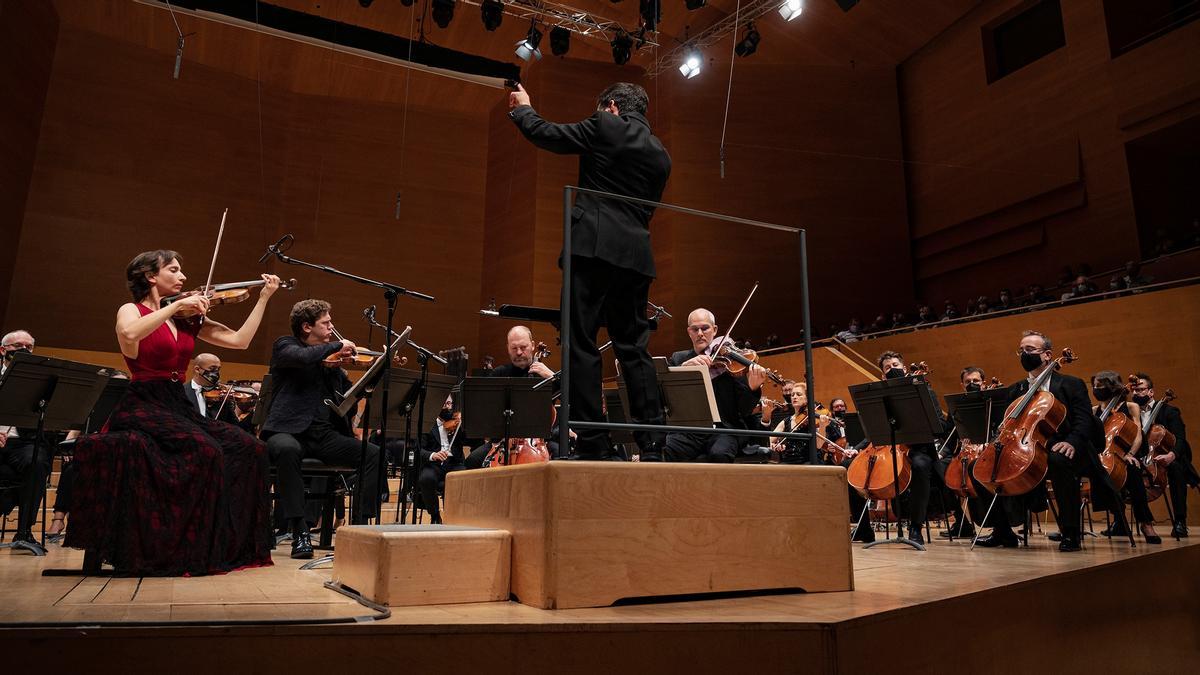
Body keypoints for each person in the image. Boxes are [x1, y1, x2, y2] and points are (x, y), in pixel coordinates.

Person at [64, 250, 279, 575]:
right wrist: (177, 305)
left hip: (175, 403)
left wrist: (263, 298)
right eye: (174, 270)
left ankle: (225, 545)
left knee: (250, 447)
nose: (183, 278)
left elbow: (240, 341)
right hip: (142, 403)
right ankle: (180, 548)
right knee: (205, 450)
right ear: (151, 276)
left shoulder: (187, 320)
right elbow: (130, 334)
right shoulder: (131, 310)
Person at [508, 81, 670, 460]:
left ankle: (594, 441)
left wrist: (523, 109)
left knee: (581, 341)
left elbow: (549, 134)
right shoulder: (662, 154)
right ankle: (654, 440)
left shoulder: (604, 124)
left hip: (593, 248)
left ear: (611, 106)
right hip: (636, 257)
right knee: (633, 348)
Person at [262, 299, 381, 559]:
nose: (331, 327)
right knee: (287, 450)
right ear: (306, 327)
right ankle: (299, 530)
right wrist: (337, 345)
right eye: (326, 323)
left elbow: (350, 397)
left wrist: (376, 371)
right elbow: (303, 357)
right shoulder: (286, 346)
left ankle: (360, 528)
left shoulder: (332, 365)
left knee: (372, 453)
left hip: (322, 436)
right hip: (287, 431)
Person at [976, 331, 1095, 552]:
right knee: (982, 465)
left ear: (1048, 355)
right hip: (1026, 447)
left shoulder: (1071, 384)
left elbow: (1084, 420)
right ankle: (1003, 532)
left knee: (1059, 461)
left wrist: (1071, 442)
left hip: (1065, 448)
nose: (1024, 354)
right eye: (1021, 350)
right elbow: (1007, 425)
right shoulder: (1016, 389)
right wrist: (992, 443)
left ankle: (1070, 533)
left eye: (1029, 350)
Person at [662, 309, 769, 463]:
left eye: (705, 328)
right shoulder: (679, 359)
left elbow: (744, 411)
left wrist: (752, 389)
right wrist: (683, 369)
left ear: (715, 330)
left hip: (724, 429)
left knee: (719, 453)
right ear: (689, 332)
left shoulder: (732, 361)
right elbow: (667, 396)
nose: (700, 333)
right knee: (665, 450)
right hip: (691, 431)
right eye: (695, 329)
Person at [1089, 371, 1160, 543]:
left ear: (1112, 387)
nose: (1096, 389)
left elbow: (1137, 434)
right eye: (1095, 386)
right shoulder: (1094, 410)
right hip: (1103, 455)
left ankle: (1145, 523)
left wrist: (1130, 454)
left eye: (1100, 386)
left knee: (1133, 472)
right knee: (1099, 474)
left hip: (1125, 455)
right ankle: (1119, 519)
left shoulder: (1130, 407)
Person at [0, 330, 54, 550]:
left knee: (38, 461)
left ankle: (24, 532)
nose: (25, 351)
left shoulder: (36, 381)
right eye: (18, 346)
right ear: (3, 350)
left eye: (29, 347)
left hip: (21, 443)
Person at [1132, 372, 1197, 537]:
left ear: (1151, 392)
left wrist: (1171, 455)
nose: (1135, 393)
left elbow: (1180, 440)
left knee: (1176, 468)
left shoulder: (1169, 412)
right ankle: (1121, 521)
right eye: (1134, 390)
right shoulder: (1131, 413)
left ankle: (1180, 521)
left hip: (1165, 457)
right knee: (1121, 471)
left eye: (1140, 389)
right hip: (1141, 457)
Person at [417, 397, 466, 524]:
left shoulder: (457, 423)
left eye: (449, 403)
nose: (448, 407)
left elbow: (470, 440)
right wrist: (433, 455)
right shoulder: (427, 424)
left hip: (454, 463)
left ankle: (454, 516)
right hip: (434, 464)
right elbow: (418, 450)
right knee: (426, 478)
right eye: (444, 404)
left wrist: (464, 425)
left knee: (464, 477)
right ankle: (435, 515)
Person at [183, 353, 238, 424]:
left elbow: (235, 426)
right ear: (197, 369)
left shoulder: (222, 395)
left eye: (218, 369)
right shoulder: (181, 392)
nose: (216, 373)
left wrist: (253, 413)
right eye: (212, 369)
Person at [490, 326, 556, 379]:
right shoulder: (498, 374)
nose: (519, 352)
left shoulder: (547, 375)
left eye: (523, 347)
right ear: (508, 348)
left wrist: (553, 378)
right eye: (514, 348)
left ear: (532, 345)